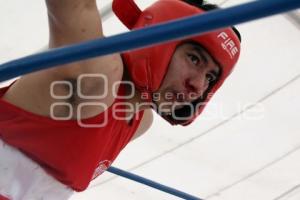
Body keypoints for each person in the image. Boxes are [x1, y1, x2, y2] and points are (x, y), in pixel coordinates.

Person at [0, 0, 241, 199]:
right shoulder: (98, 74)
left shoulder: (141, 120)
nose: (198, 86)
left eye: (210, 77)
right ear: (158, 38)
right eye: (194, 59)